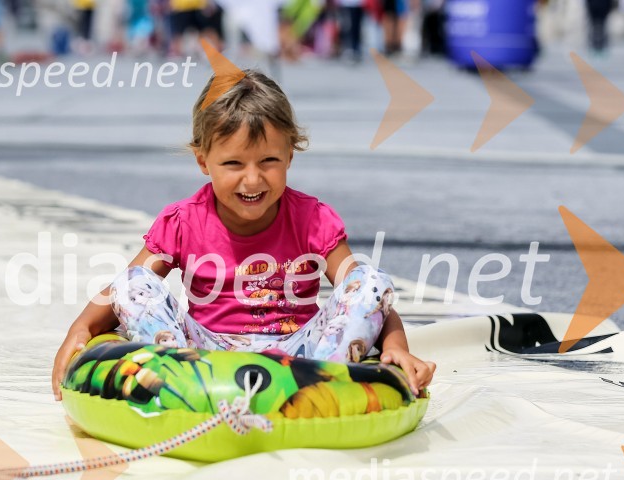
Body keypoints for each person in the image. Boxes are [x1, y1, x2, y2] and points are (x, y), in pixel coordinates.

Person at [51, 69, 436, 401]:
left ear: (290, 155)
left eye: (268, 161)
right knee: (135, 280)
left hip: (302, 355)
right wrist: (80, 329)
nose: (252, 180)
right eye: (234, 163)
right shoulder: (183, 221)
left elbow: (369, 297)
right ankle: (178, 379)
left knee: (369, 278)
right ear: (203, 161)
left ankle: (326, 382)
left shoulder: (313, 219)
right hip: (202, 355)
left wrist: (396, 347)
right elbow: (125, 289)